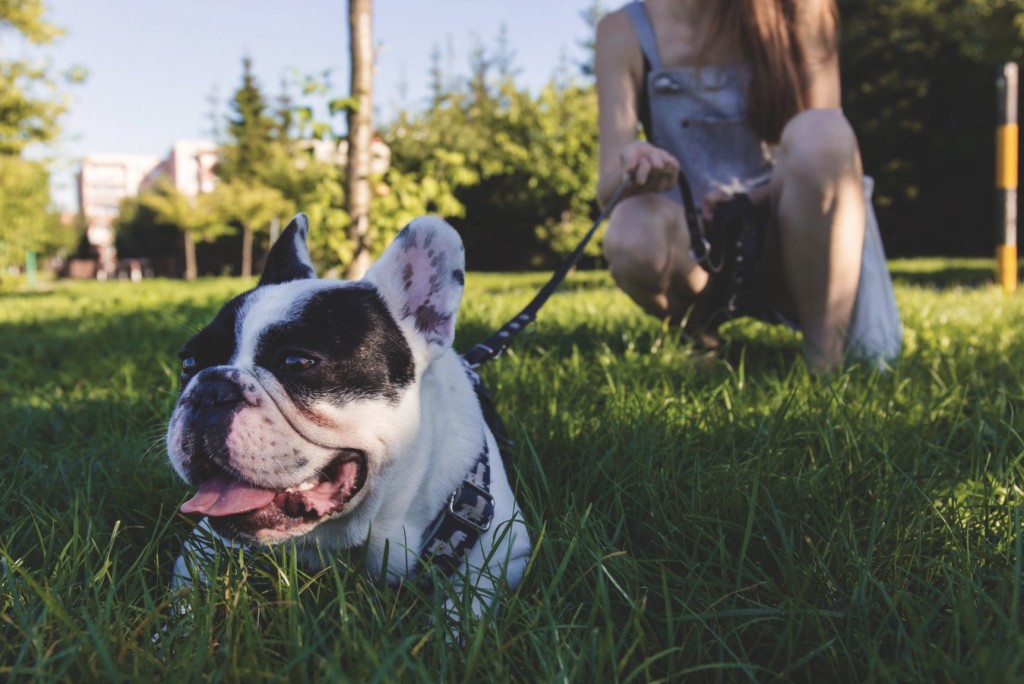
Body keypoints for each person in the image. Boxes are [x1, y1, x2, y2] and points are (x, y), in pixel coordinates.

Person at [595, 0, 902, 373]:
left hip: (795, 238)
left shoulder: (802, 10)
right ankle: (697, 332)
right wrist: (636, 163)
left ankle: (825, 360)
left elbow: (831, 153)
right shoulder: (622, 30)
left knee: (822, 132)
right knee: (630, 229)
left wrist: (741, 201)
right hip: (698, 247)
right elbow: (607, 189)